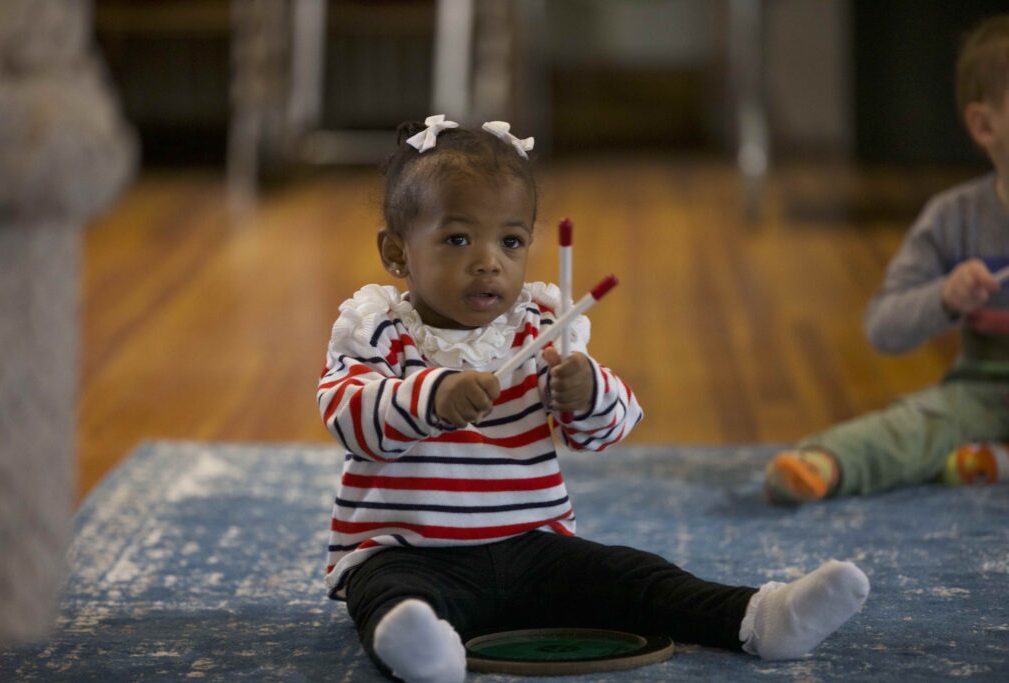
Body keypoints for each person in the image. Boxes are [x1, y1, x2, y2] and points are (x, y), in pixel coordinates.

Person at [318, 115, 869, 682]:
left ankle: (758, 618)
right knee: (389, 595)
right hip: (406, 552)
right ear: (397, 253)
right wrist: (431, 398)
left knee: (633, 575)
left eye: (510, 241)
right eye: (458, 238)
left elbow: (606, 431)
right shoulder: (376, 327)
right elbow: (347, 416)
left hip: (532, 548)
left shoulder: (541, 328)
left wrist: (587, 393)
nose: (490, 261)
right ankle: (423, 651)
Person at [765, 14, 1009, 506]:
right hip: (982, 393)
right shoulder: (954, 217)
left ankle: (992, 461)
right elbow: (883, 327)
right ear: (985, 125)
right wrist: (945, 296)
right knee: (917, 423)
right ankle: (828, 463)